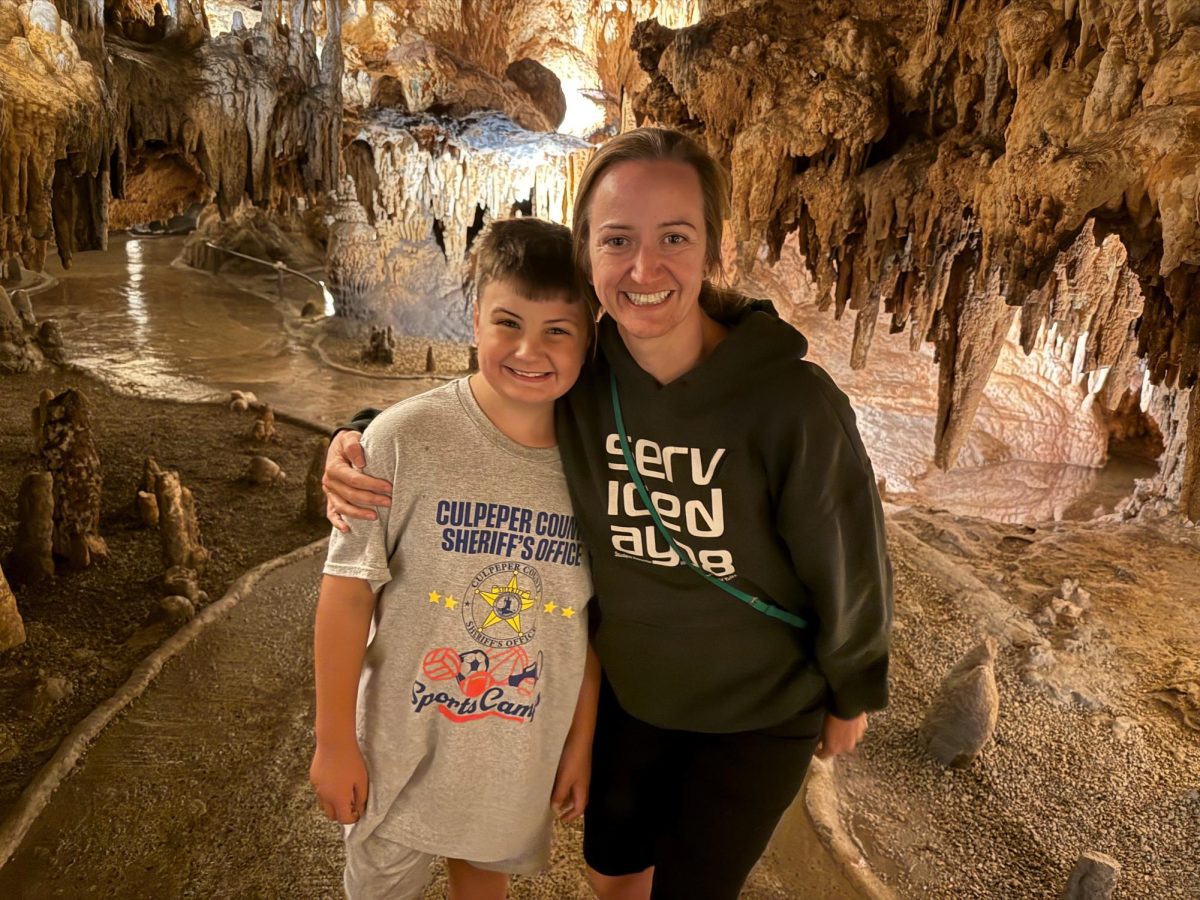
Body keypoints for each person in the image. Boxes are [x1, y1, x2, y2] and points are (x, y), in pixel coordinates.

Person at [324, 128, 892, 900]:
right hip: (635, 694)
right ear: (590, 256)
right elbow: (482, 415)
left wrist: (853, 686)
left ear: (713, 249)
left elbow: (848, 549)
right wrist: (358, 435)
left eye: (675, 238)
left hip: (758, 702)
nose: (644, 267)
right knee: (608, 871)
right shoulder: (587, 379)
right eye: (618, 239)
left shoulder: (790, 403)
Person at [310, 217, 601, 900]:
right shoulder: (401, 440)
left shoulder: (599, 468)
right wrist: (332, 742)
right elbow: (347, 593)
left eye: (559, 330)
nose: (531, 349)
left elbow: (590, 624)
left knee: (483, 884)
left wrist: (580, 742)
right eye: (508, 322)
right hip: (395, 754)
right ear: (473, 318)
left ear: (591, 337)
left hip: (511, 761)